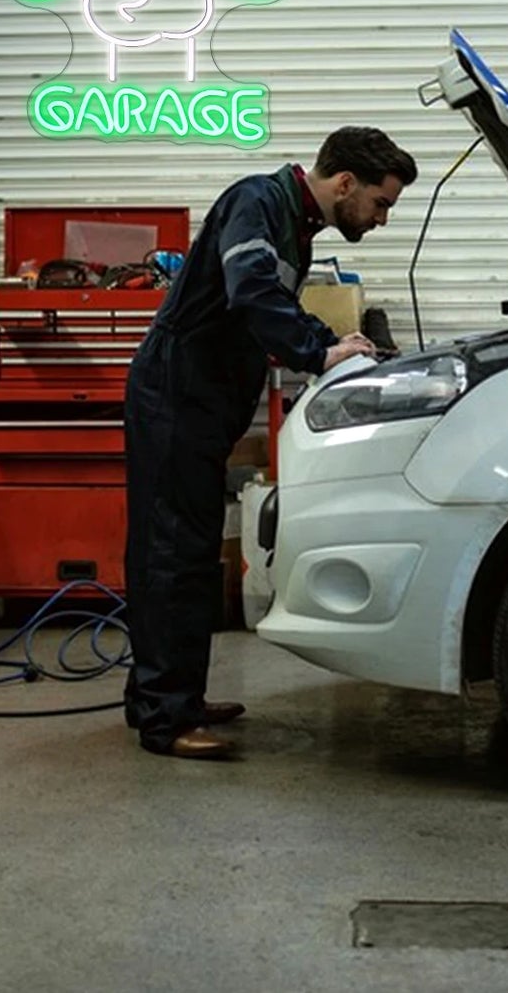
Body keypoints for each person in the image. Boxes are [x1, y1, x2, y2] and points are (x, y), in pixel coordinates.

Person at [123, 127, 417, 758]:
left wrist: (336, 341)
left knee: (190, 552)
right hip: (174, 398)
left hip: (199, 403)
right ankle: (165, 720)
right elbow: (251, 291)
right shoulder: (258, 201)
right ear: (345, 185)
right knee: (172, 552)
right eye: (381, 203)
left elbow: (272, 302)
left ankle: (168, 697)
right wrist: (317, 349)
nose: (383, 219)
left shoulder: (293, 223)